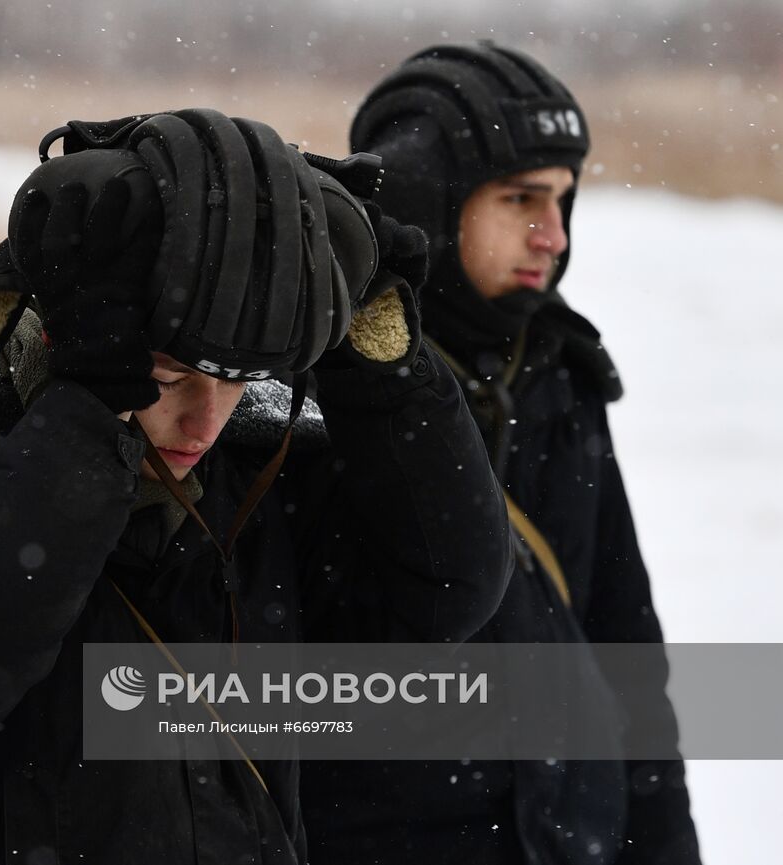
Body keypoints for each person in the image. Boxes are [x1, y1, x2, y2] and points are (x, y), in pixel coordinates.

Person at [0, 109, 512, 863]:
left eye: (237, 379)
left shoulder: (253, 474)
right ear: (59, 335)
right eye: (169, 377)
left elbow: (445, 592)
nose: (203, 419)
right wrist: (86, 414)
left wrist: (382, 363)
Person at [301, 41, 702, 865]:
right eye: (522, 198)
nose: (552, 233)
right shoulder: (319, 390)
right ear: (429, 199)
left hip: (567, 838)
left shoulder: (560, 373)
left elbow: (627, 655)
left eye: (563, 199)